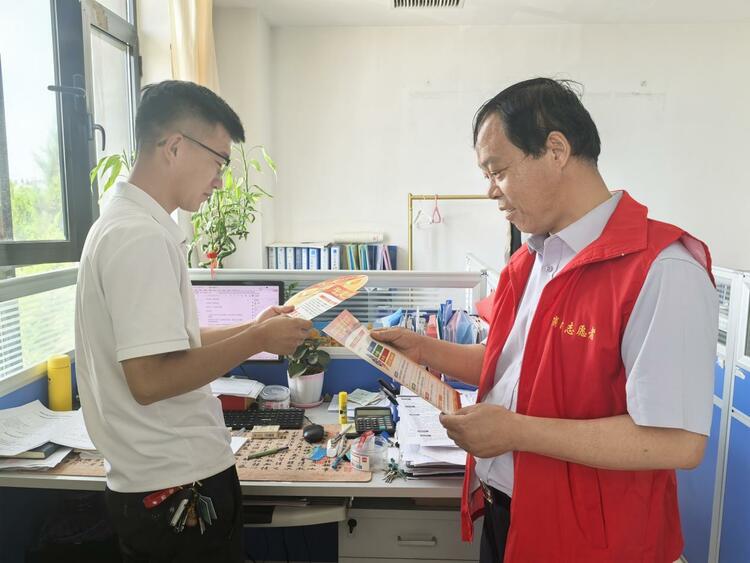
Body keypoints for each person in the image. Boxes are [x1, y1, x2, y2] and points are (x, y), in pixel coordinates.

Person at [373, 77, 718, 562]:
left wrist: (515, 432)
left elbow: (677, 442)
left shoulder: (662, 268)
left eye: (498, 170)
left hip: (596, 542)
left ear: (556, 149)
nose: (491, 191)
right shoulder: (532, 261)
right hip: (509, 516)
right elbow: (513, 369)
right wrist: (425, 349)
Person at [75, 80, 312, 562]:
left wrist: (254, 329)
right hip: (175, 489)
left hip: (166, 482)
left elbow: (167, 345)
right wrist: (256, 342)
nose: (221, 180)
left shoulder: (126, 224)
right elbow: (149, 378)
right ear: (176, 146)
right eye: (220, 161)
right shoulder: (138, 238)